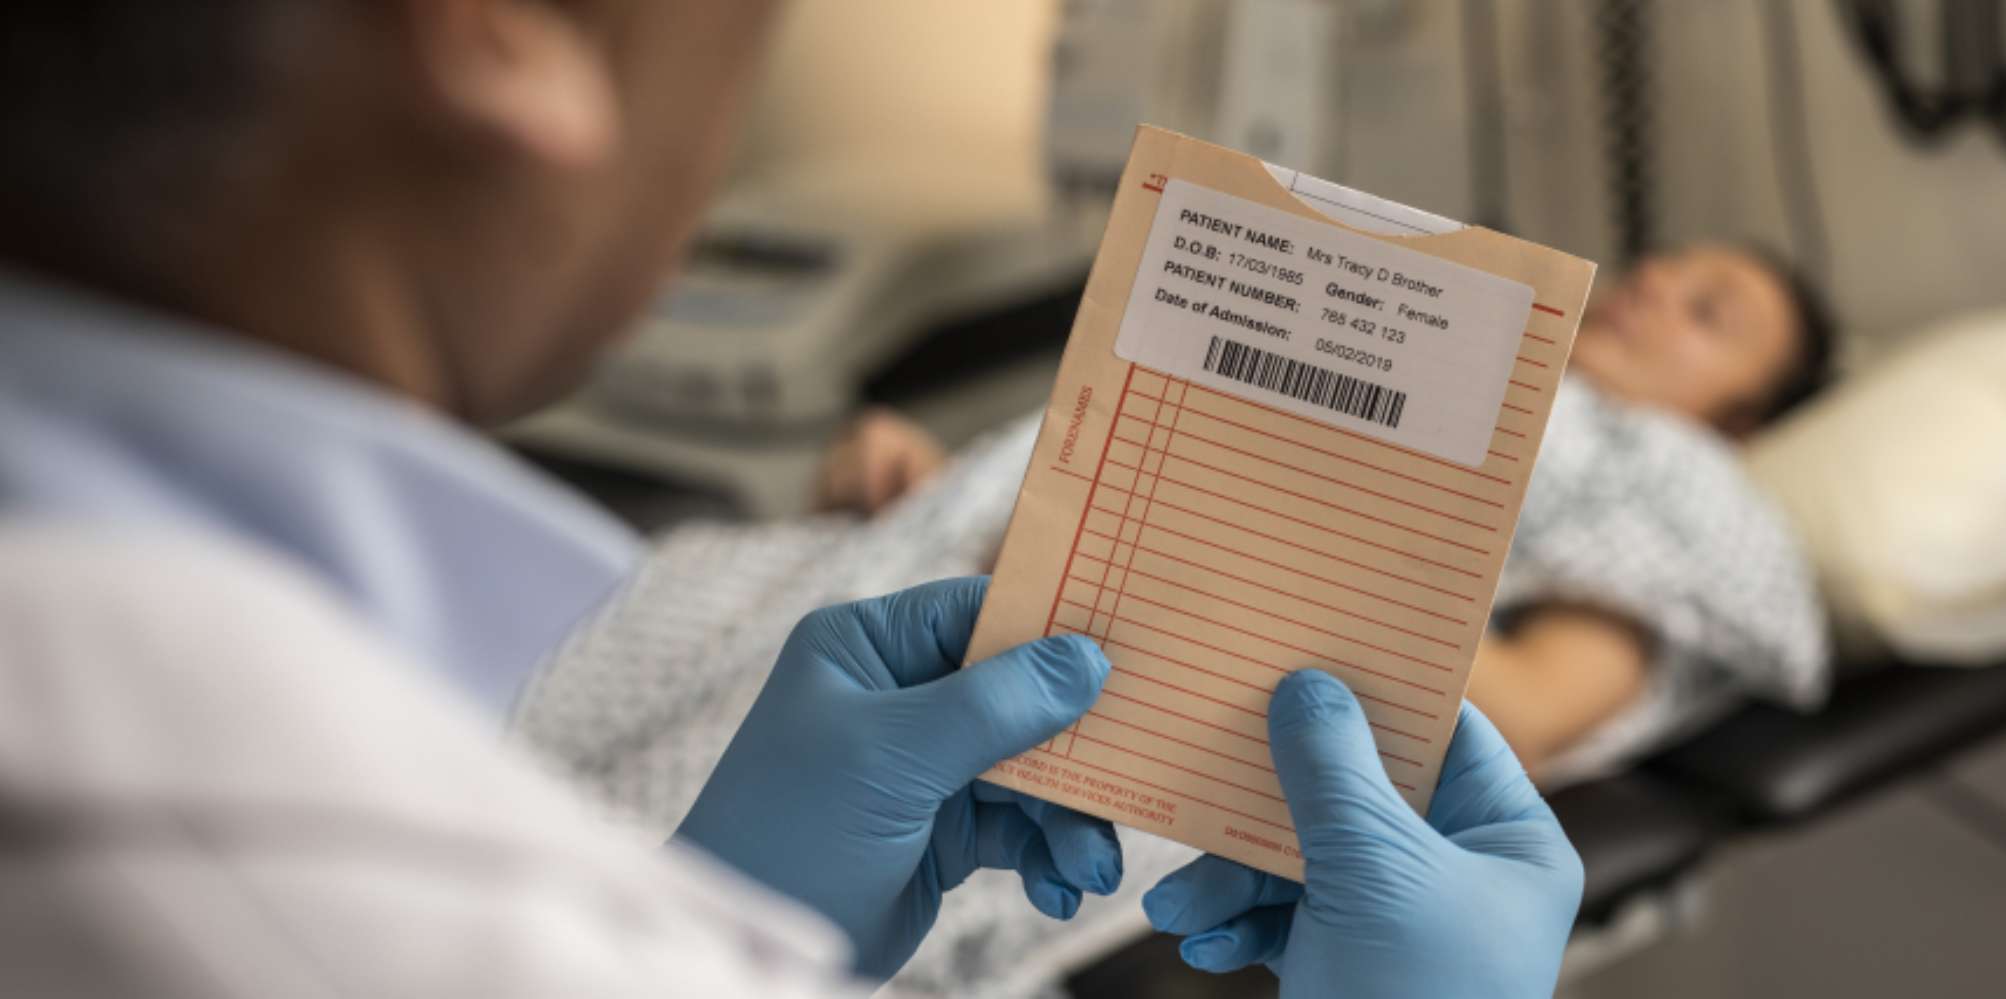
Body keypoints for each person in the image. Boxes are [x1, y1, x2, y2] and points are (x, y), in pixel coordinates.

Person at [0, 4, 1580, 998]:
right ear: (499, 28)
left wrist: (730, 911)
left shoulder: (1626, 459)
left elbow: (1545, 674)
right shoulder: (313, 903)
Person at [516, 243, 1833, 993]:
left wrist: (1253, 558)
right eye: (1662, 270)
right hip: (895, 580)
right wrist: (947, 488)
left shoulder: (1680, 486)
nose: (1654, 292)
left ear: (1739, 421)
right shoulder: (1468, 349)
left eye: (1709, 315)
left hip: (1132, 678)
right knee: (510, 733)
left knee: (587, 899)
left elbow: (1534, 710)